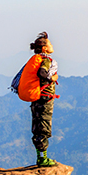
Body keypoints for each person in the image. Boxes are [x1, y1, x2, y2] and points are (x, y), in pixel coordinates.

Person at [29, 32, 59, 166]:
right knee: (44, 127)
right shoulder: (45, 60)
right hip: (45, 98)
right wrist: (51, 78)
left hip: (36, 97)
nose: (52, 45)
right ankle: (43, 158)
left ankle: (40, 156)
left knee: (37, 126)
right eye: (50, 44)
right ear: (45, 48)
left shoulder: (35, 60)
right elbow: (42, 73)